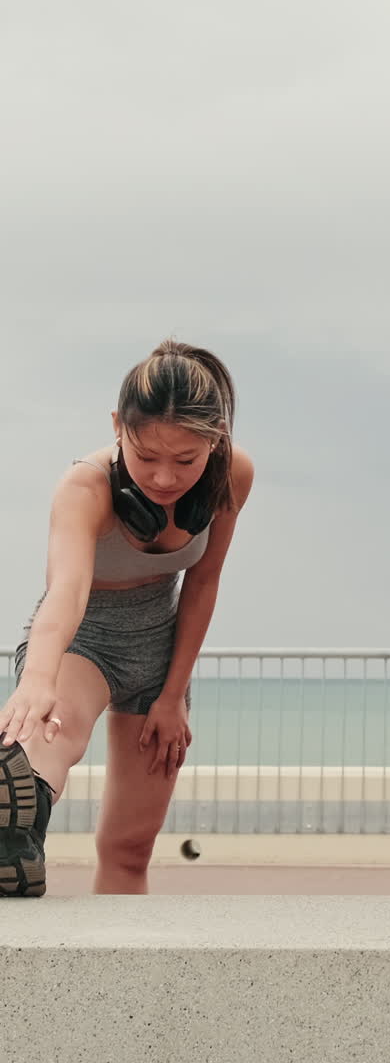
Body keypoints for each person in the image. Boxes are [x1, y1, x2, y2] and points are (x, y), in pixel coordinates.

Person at [0, 339, 253, 896]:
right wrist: (37, 682)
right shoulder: (84, 488)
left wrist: (172, 694)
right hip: (83, 638)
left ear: (215, 441)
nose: (164, 479)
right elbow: (64, 592)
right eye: (146, 457)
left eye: (186, 460)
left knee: (129, 849)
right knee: (42, 746)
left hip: (161, 650)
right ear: (118, 426)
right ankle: (14, 835)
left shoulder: (233, 476)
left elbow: (203, 582)